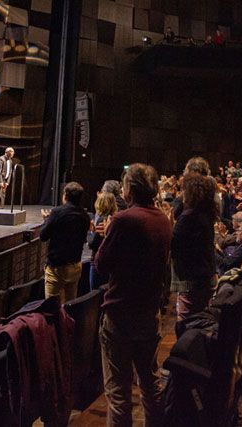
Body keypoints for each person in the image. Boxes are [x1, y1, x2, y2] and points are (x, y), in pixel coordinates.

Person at [93, 163, 172, 426]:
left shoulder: (123, 220)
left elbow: (101, 264)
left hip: (120, 314)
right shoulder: (163, 219)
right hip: (149, 313)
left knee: (118, 392)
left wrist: (107, 236)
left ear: (129, 189)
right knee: (150, 383)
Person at [171, 171, 218, 334]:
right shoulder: (205, 212)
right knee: (198, 321)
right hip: (204, 274)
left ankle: (186, 350)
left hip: (192, 278)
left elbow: (173, 245)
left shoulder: (189, 217)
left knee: (186, 324)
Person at [38, 182, 91, 303]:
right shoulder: (85, 216)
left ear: (65, 195)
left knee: (51, 306)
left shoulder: (57, 212)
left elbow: (43, 236)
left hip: (56, 267)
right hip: (75, 266)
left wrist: (46, 220)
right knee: (69, 304)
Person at [88, 191, 119, 289]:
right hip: (110, 262)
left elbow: (92, 244)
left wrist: (91, 232)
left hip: (98, 261)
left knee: (95, 292)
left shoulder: (102, 220)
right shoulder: (114, 219)